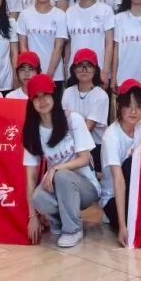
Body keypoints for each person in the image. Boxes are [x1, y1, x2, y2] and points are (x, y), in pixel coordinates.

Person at [23, 74, 100, 248]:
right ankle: (58, 221)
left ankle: (73, 229)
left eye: (46, 95)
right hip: (58, 188)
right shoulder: (32, 131)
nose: (42, 101)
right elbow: (30, 178)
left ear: (54, 96)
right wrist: (33, 216)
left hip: (86, 188)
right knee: (38, 197)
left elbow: (84, 159)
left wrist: (56, 168)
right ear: (31, 102)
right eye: (36, 97)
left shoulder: (73, 120)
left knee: (62, 175)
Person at [101, 79, 141, 248]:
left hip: (137, 193)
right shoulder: (111, 136)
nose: (133, 111)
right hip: (114, 198)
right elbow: (119, 180)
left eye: (138, 106)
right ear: (120, 107)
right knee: (130, 164)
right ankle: (115, 217)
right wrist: (122, 226)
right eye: (128, 105)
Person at [17, 0, 69, 88]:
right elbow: (23, 47)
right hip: (31, 76)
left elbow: (59, 47)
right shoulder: (24, 15)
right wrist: (30, 71)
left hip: (54, 76)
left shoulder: (60, 15)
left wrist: (49, 75)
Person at [65, 0, 115, 89]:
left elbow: (109, 43)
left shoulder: (105, 10)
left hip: (98, 70)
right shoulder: (70, 12)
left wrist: (105, 71)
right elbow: (68, 44)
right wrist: (67, 67)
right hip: (76, 70)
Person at [61, 49, 108, 165]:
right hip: (70, 144)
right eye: (80, 65)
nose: (84, 70)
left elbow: (88, 127)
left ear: (95, 70)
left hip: (95, 147)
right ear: (74, 69)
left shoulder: (101, 95)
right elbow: (62, 122)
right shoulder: (68, 92)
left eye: (89, 66)